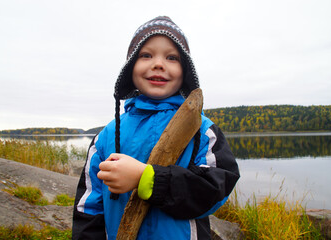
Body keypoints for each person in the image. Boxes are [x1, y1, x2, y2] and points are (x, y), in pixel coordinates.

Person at [72, 16, 240, 240]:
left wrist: (146, 178)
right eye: (146, 55)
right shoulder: (107, 137)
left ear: (185, 70)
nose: (158, 64)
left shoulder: (203, 131)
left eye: (172, 57)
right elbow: (88, 209)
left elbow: (215, 190)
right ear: (131, 67)